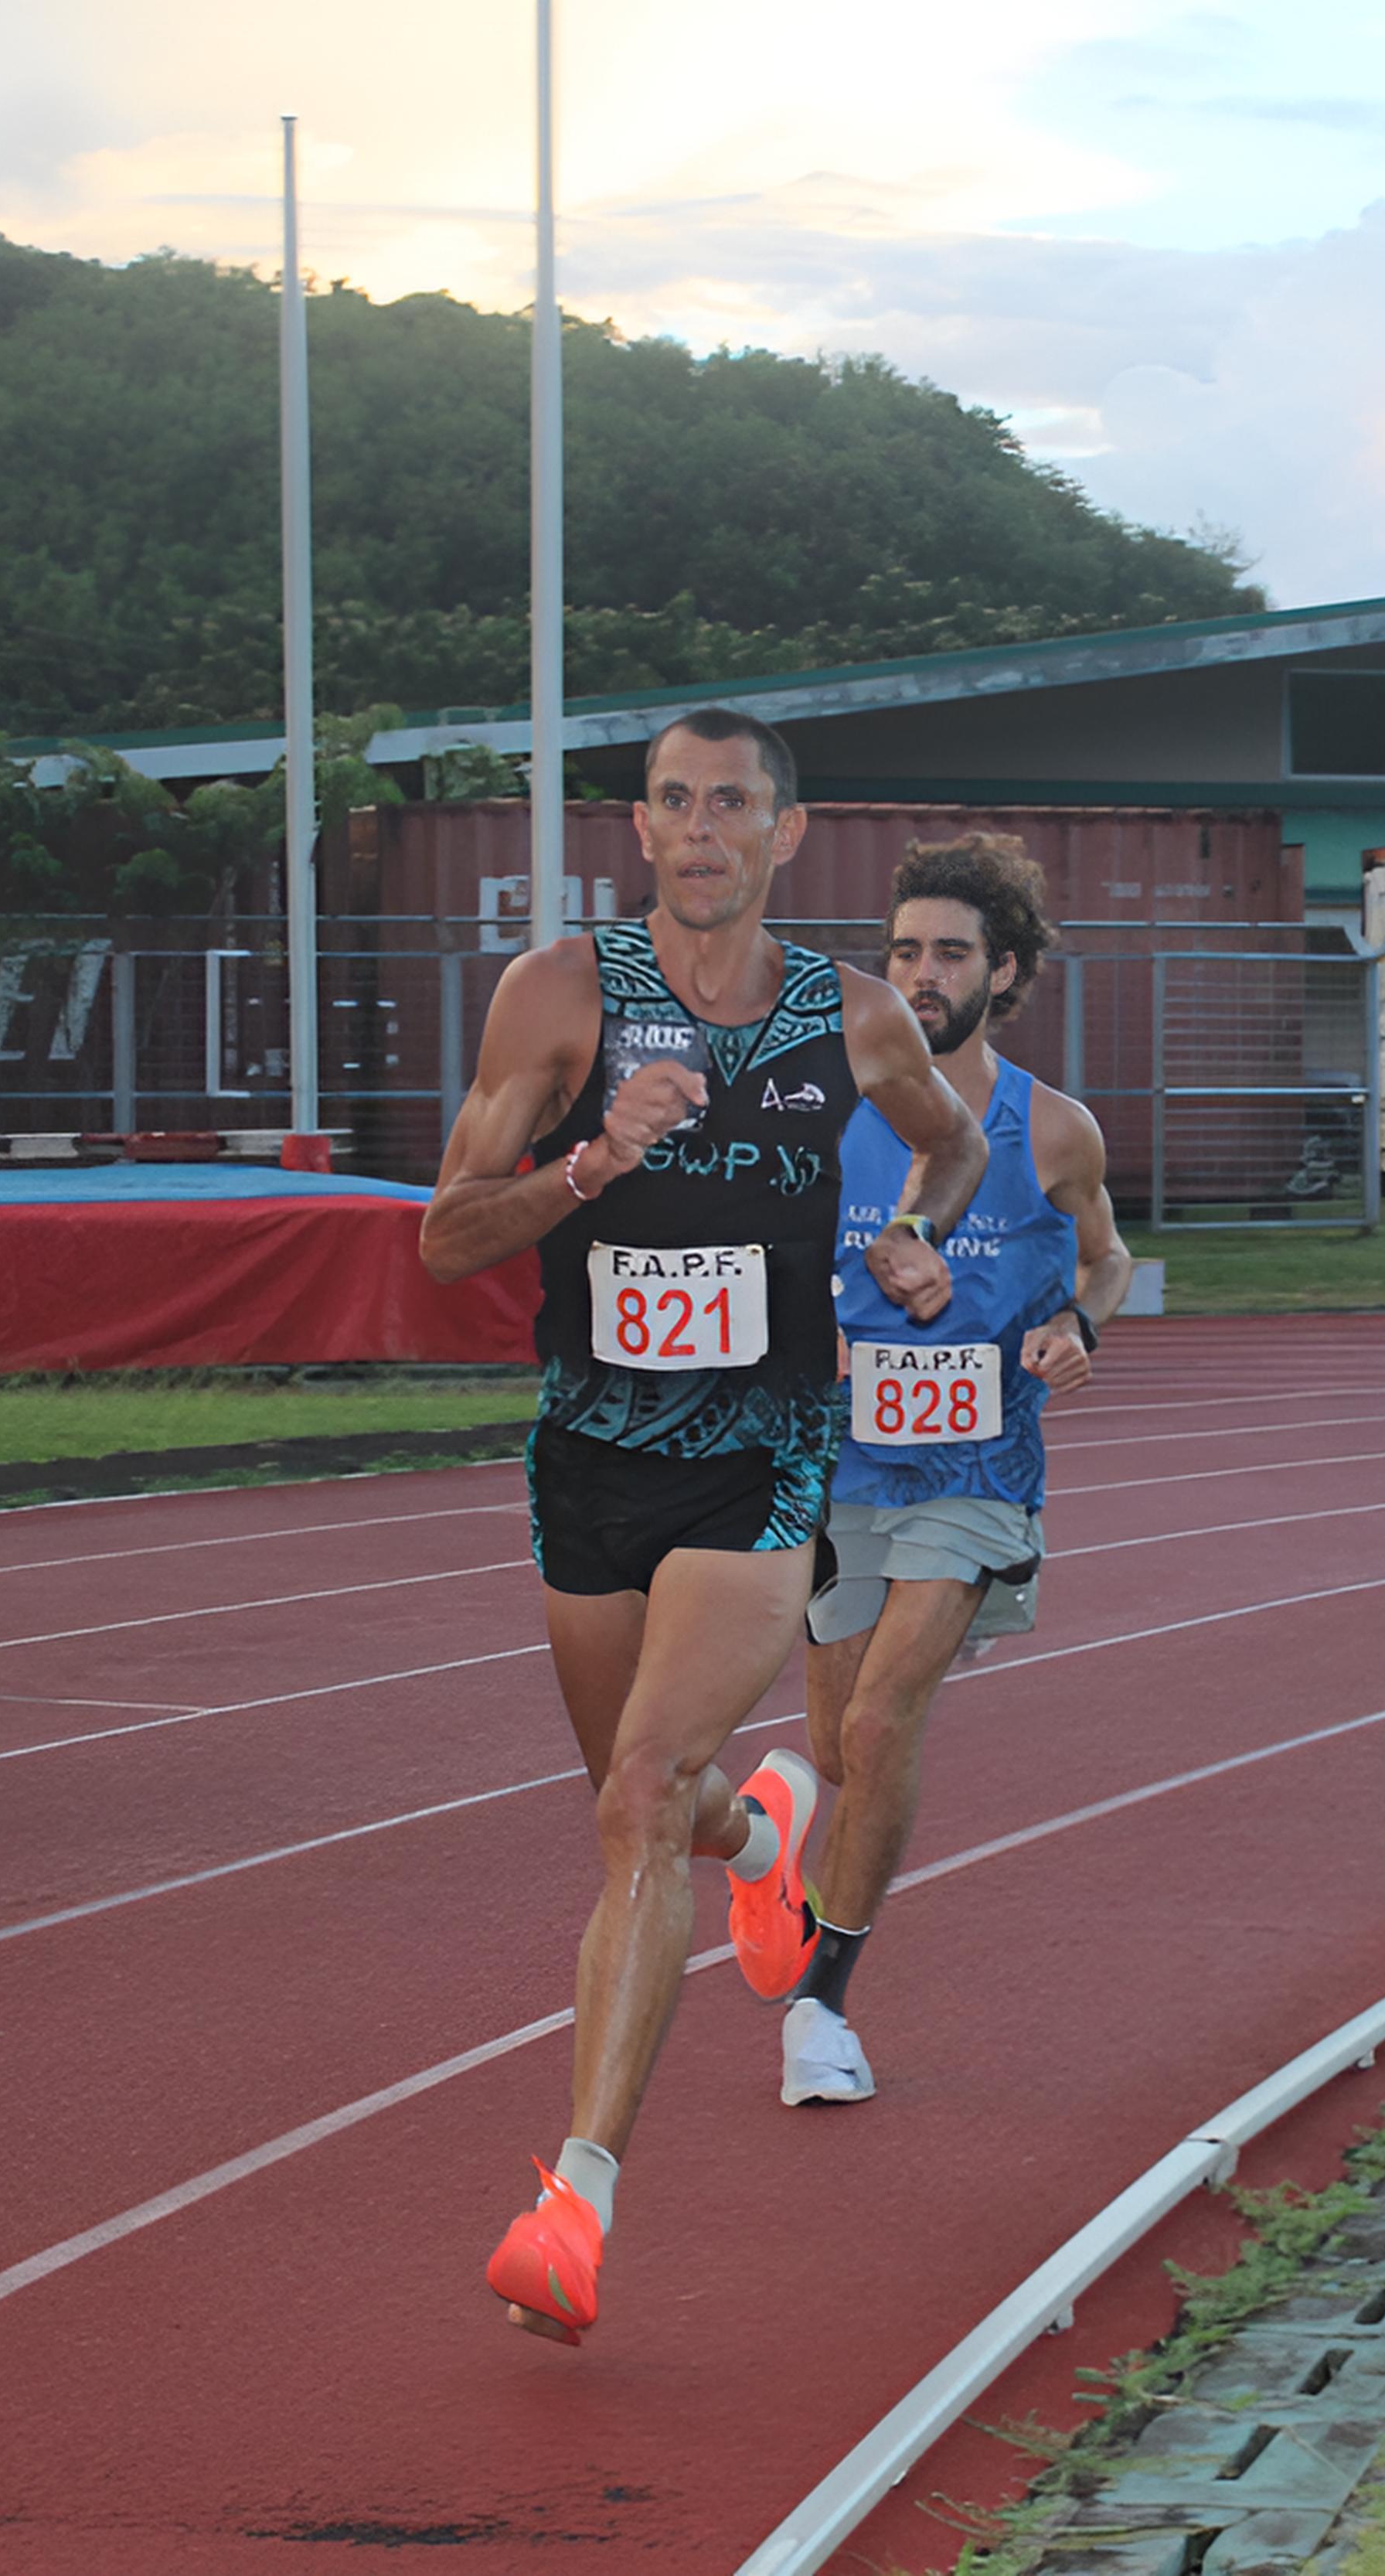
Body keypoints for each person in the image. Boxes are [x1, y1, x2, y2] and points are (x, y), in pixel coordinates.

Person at [417, 707, 986, 2346]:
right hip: (589, 1452)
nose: (697, 827)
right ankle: (762, 1842)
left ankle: (575, 2202)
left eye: (730, 802)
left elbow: (948, 1153)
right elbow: (451, 1239)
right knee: (650, 1809)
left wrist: (907, 1243)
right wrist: (595, 1160)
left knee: (637, 1794)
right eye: (671, 800)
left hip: (766, 1451)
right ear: (643, 827)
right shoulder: (562, 995)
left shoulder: (854, 1016)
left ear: (785, 835)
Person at [778, 835, 1135, 2106]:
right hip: (841, 1463)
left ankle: (821, 2006)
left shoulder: (1053, 1128)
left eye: (950, 954)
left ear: (1008, 972)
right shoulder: (832, 1109)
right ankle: (780, 1849)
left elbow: (1105, 1258)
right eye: (904, 951)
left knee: (881, 1721)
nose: (921, 974)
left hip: (980, 1472)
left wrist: (1076, 1326)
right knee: (833, 1744)